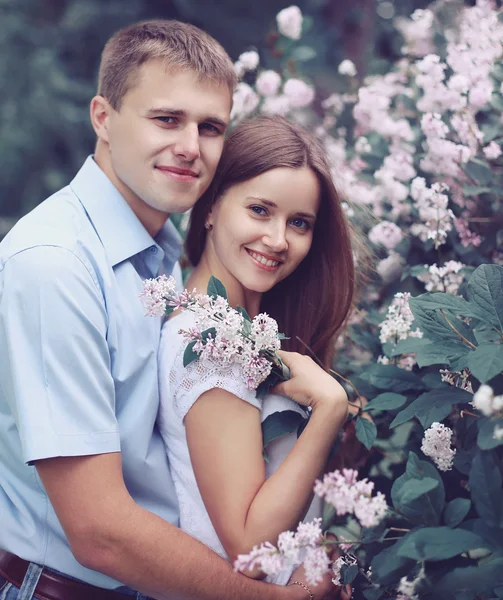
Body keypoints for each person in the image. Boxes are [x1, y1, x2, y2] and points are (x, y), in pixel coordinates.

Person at [0, 19, 344, 600]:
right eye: (166, 119)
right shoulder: (55, 266)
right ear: (103, 118)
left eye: (210, 127)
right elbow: (99, 532)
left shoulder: (159, 258)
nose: (190, 146)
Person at [158, 116, 355, 592]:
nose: (279, 239)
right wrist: (330, 410)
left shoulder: (246, 334)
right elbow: (252, 549)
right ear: (209, 207)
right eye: (260, 210)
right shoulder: (210, 343)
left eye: (299, 222)